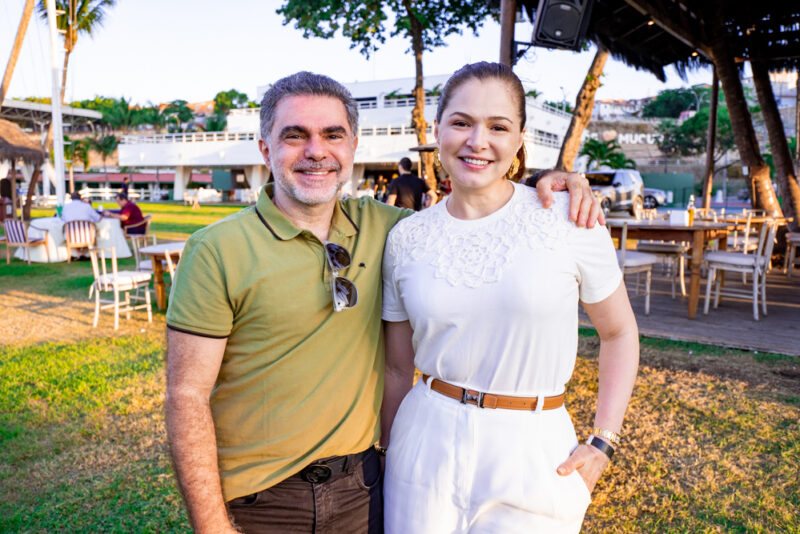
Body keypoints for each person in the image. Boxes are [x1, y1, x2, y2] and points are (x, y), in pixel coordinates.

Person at [164, 71, 603, 534]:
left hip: (364, 487)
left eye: (332, 135)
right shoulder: (215, 249)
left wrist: (549, 185)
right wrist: (211, 524)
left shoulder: (393, 231)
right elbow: (186, 396)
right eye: (295, 136)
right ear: (264, 149)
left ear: (353, 146)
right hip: (263, 499)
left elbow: (476, 208)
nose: (316, 151)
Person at [380, 62, 640, 534]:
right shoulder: (405, 239)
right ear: (437, 130)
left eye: (498, 126)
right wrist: (385, 450)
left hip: (534, 448)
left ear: (520, 139)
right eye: (461, 122)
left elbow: (619, 331)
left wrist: (603, 441)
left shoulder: (568, 216)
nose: (478, 141)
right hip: (423, 443)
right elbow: (398, 368)